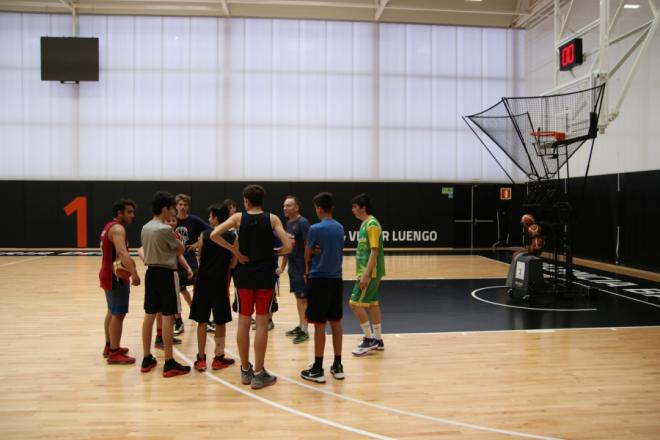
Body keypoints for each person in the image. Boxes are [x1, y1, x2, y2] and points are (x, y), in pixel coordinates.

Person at [210, 184, 291, 390]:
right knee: (262, 323)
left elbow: (214, 235)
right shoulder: (272, 219)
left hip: (244, 275)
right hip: (265, 275)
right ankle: (258, 373)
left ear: (246, 201)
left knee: (244, 322)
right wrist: (275, 252)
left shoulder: (238, 218)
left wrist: (235, 252)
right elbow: (288, 246)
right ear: (261, 200)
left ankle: (245, 370)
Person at [140, 190, 191, 377]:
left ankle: (146, 358)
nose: (173, 213)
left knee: (149, 314)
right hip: (166, 273)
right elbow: (180, 249)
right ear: (164, 209)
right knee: (169, 316)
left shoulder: (145, 227)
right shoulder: (165, 229)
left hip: (151, 274)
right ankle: (169, 362)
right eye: (171, 209)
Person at [300, 192, 345, 383]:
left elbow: (307, 255)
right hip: (336, 279)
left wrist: (315, 252)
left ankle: (318, 368)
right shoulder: (340, 227)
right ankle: (338, 364)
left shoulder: (315, 229)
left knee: (319, 324)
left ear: (318, 207)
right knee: (336, 322)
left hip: (319, 280)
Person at [189, 203, 237, 371]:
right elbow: (233, 263)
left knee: (202, 320)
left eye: (210, 216)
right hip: (220, 281)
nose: (209, 219)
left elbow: (200, 258)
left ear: (216, 219)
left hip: (203, 281)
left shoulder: (204, 235)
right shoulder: (233, 237)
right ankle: (218, 358)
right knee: (220, 321)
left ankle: (201, 359)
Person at [99, 199, 140, 365]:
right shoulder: (117, 229)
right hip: (115, 276)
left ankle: (109, 346)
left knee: (111, 311)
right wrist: (134, 273)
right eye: (129, 212)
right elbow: (122, 253)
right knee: (118, 314)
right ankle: (114, 353)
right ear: (119, 213)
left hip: (107, 273)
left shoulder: (109, 226)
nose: (132, 215)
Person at [349, 193, 386, 356]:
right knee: (372, 304)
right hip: (369, 272)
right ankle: (377, 340)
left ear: (363, 208)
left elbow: (374, 251)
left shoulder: (371, 224)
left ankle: (369, 339)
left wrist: (366, 275)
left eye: (355, 207)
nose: (353, 210)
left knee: (354, 304)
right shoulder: (365, 223)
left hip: (369, 273)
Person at [174, 194, 211, 335]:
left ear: (188, 206)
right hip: (174, 261)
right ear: (176, 206)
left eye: (185, 205)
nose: (183, 207)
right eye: (180, 204)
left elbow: (209, 231)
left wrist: (196, 244)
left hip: (190, 259)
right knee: (178, 291)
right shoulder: (171, 220)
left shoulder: (193, 220)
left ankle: (200, 315)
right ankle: (178, 321)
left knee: (198, 289)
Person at [278, 195, 311, 344]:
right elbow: (288, 246)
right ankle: (301, 325)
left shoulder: (303, 223)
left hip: (301, 267)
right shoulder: (289, 223)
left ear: (296, 207)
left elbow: (307, 246)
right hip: (293, 267)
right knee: (298, 298)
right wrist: (283, 267)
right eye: (284, 205)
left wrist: (306, 267)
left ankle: (305, 330)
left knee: (303, 299)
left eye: (289, 205)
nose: (285, 208)